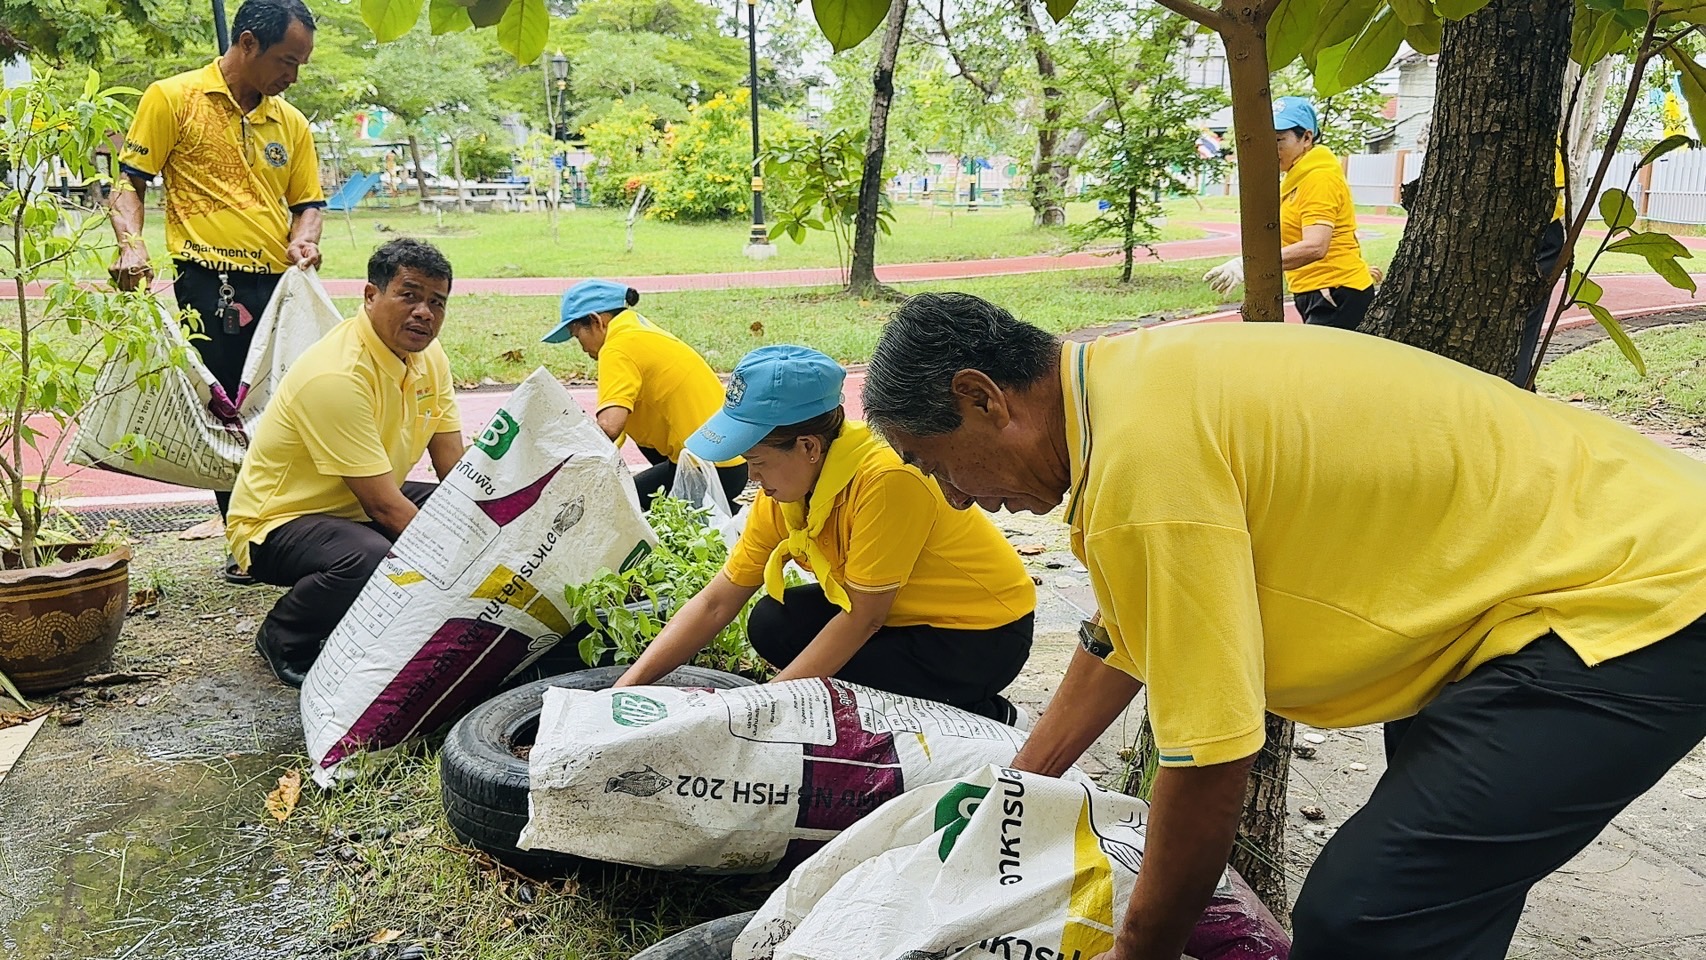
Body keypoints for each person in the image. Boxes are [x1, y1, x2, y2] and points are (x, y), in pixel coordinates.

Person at [860, 292, 1706, 960]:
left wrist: (1141, 951)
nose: (958, 497)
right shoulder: (1130, 387)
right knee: (1433, 908)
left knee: (1367, 918)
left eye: (936, 465)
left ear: (982, 398)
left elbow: (1212, 756)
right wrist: (1016, 791)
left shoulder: (1143, 467)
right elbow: (1122, 638)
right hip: (1532, 596)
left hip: (1629, 600)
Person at [613, 345, 1036, 722]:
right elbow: (716, 601)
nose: (752, 477)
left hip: (980, 635)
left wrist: (755, 714)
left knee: (839, 691)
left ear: (809, 447)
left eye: (757, 461)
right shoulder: (785, 493)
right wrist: (624, 690)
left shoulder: (888, 478)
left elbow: (863, 619)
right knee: (773, 624)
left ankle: (978, 712)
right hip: (899, 615)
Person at [111, 0, 326, 580]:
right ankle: (244, 544)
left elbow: (308, 204)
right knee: (229, 411)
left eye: (301, 64)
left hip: (281, 287)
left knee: (290, 407)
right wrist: (132, 244)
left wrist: (304, 241)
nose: (293, 76)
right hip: (207, 282)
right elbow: (129, 184)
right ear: (249, 43)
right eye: (287, 60)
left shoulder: (291, 122)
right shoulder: (172, 97)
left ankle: (283, 531)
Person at [227, 239, 465, 687]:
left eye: (437, 302)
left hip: (355, 504)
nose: (424, 313)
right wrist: (464, 566)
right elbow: (385, 510)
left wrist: (491, 526)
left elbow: (454, 467)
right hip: (277, 522)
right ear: (371, 296)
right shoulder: (336, 375)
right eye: (409, 295)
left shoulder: (429, 357)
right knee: (372, 558)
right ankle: (285, 635)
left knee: (459, 510)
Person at [543, 279, 747, 510]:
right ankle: (729, 517)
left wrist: (564, 463)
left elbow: (610, 426)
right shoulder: (639, 330)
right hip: (730, 458)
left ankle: (740, 526)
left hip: (709, 468)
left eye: (577, 335)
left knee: (621, 507)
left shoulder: (617, 347)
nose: (582, 348)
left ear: (596, 320)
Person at [1204, 96, 1377, 330]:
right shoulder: (1296, 177)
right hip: (1318, 290)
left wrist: (1251, 266)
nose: (1270, 148)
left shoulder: (1318, 178)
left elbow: (1316, 246)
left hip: (1334, 292)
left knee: (1312, 365)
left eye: (1278, 140)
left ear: (1306, 138)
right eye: (1266, 139)